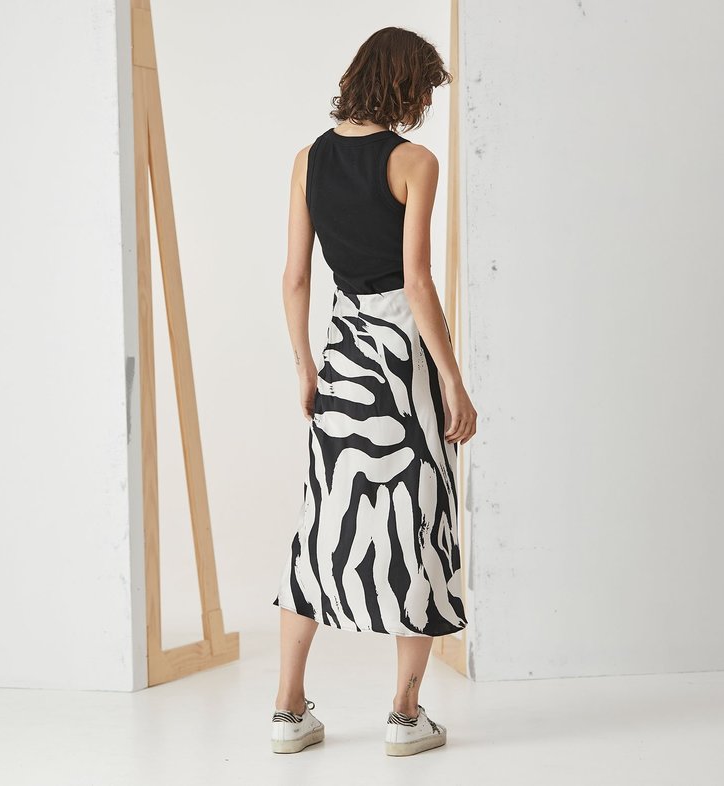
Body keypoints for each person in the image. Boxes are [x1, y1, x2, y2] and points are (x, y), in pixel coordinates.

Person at [270, 26, 478, 757]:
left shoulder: (309, 159)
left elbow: (296, 276)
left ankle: (287, 711)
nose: (425, 104)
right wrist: (453, 380)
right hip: (401, 357)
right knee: (419, 519)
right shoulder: (414, 162)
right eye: (424, 89)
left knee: (322, 521)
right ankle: (405, 715)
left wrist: (306, 367)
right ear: (405, 87)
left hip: (343, 351)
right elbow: (417, 281)